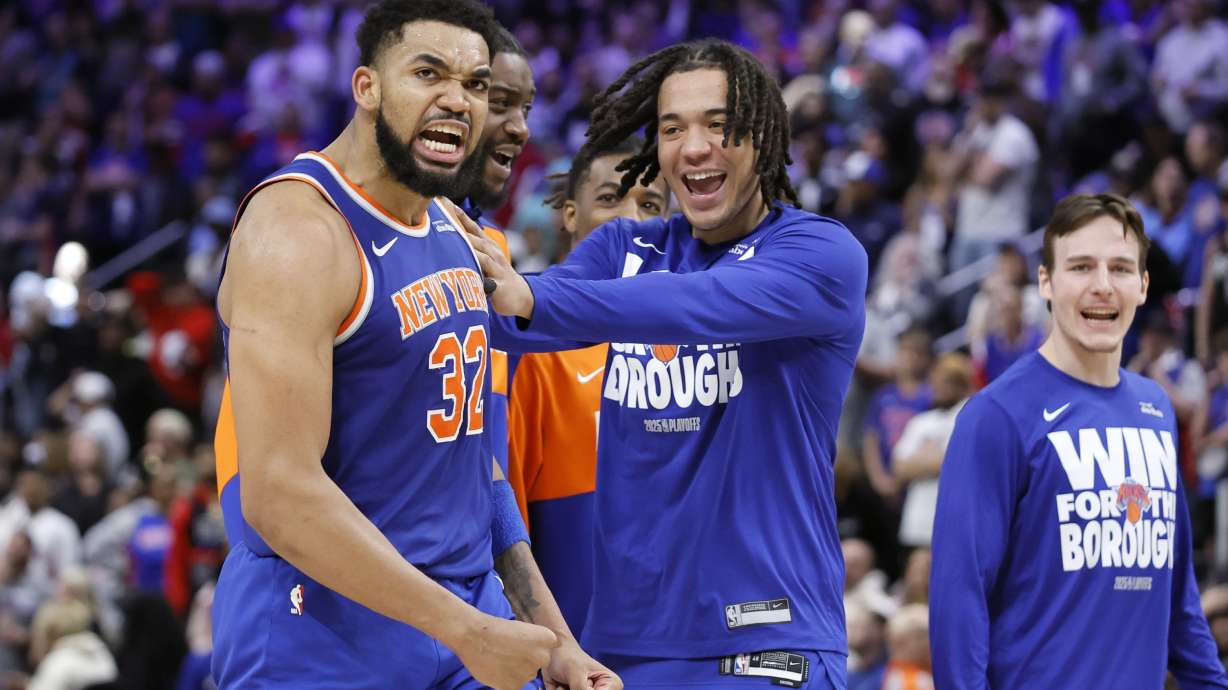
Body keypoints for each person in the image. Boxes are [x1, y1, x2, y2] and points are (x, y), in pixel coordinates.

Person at [209, 2, 615, 688]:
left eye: (476, 84)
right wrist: (462, 627)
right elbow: (277, 494)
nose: (457, 100)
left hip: (463, 623)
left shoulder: (457, 231)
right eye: (428, 73)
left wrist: (556, 639)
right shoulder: (298, 231)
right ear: (367, 87)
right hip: (325, 638)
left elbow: (479, 474)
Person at [464, 38, 867, 687]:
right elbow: (516, 325)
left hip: (769, 640)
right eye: (674, 128)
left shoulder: (820, 255)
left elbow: (696, 302)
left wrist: (532, 294)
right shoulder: (624, 246)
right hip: (620, 645)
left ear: (763, 134)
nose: (694, 147)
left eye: (719, 124)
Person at [929, 193, 1228, 688]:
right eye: (1082, 267)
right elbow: (958, 602)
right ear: (1046, 282)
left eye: (1121, 269)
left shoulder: (1155, 410)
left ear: (1143, 286)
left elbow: (1179, 602)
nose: (1103, 287)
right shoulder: (996, 416)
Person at [506, 135, 669, 637]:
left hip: (680, 651)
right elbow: (504, 516)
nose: (631, 219)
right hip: (576, 651)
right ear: (569, 215)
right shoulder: (530, 346)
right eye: (610, 199)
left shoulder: (697, 344)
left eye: (650, 204)